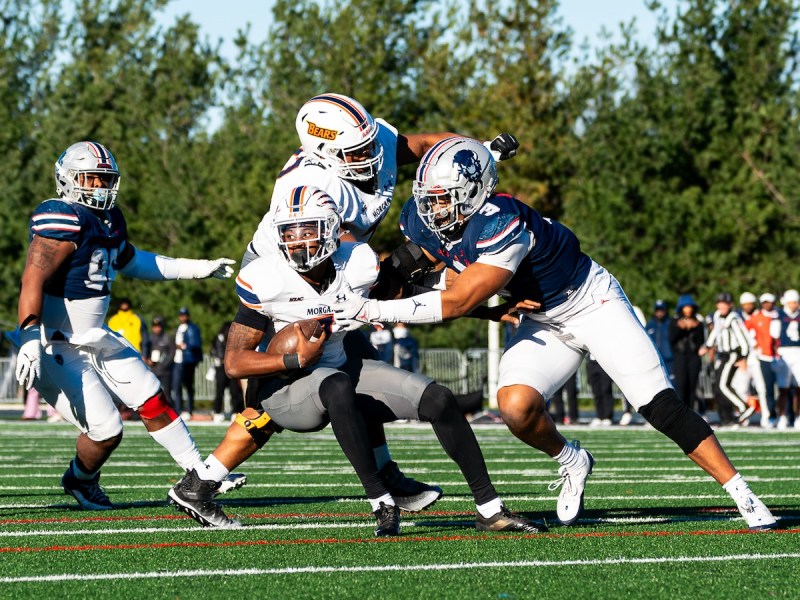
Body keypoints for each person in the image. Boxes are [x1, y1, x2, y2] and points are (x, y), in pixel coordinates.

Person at [334, 136, 776, 530]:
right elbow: (421, 271)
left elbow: (457, 300)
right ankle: (572, 459)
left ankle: (741, 493)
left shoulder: (501, 225)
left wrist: (372, 308)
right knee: (515, 407)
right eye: (428, 198)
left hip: (590, 303)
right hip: (543, 319)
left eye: (443, 200)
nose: (432, 210)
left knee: (658, 405)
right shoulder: (431, 217)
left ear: (472, 194)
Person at [168, 186, 543, 536]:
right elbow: (234, 362)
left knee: (438, 399)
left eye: (308, 230)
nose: (298, 241)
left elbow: (409, 296)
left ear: (331, 231)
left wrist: (486, 311)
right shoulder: (266, 278)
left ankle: (490, 509)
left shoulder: (358, 264)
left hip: (340, 369)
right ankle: (381, 500)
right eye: (290, 232)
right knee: (337, 385)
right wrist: (294, 357)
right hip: (286, 388)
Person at [240, 92, 520, 494]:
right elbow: (344, 262)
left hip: (338, 268)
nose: (370, 154)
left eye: (368, 144)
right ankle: (203, 479)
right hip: (295, 278)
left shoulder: (370, 142)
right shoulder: (311, 186)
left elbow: (427, 145)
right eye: (357, 152)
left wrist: (473, 152)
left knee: (355, 372)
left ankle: (385, 473)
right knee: (275, 396)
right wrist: (441, 285)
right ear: (322, 152)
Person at [14, 140, 241, 510]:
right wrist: (28, 336)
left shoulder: (109, 220)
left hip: (94, 337)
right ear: (68, 179)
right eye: (92, 179)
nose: (101, 188)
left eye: (105, 180)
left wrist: (196, 268)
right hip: (56, 341)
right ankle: (80, 480)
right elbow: (32, 280)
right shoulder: (61, 218)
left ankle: (199, 474)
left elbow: (134, 261)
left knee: (152, 395)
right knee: (107, 432)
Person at [699, 292, 754, 426]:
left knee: (723, 385)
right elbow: (715, 333)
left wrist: (743, 357)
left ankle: (744, 407)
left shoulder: (733, 318)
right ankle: (726, 418)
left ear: (730, 305)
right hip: (722, 355)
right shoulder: (717, 316)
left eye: (725, 304)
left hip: (733, 354)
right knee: (719, 387)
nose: (722, 306)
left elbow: (744, 338)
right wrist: (707, 346)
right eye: (720, 303)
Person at [745, 293, 779, 427]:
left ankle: (787, 416)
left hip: (781, 356)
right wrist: (753, 343)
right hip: (764, 357)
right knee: (766, 388)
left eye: (769, 302)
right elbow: (744, 330)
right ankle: (769, 416)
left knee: (786, 388)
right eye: (764, 302)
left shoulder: (779, 315)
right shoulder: (756, 317)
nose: (767, 304)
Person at [669, 294, 706, 415]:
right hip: (680, 357)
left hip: (693, 357)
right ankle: (680, 413)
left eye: (690, 307)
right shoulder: (674, 322)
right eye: (685, 307)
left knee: (692, 386)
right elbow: (671, 339)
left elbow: (701, 341)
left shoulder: (699, 323)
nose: (688, 310)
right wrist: (681, 328)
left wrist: (694, 328)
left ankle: (690, 412)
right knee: (680, 386)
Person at [771, 289, 800, 429]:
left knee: (798, 387)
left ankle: (798, 417)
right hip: (785, 353)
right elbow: (774, 335)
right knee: (783, 388)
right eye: (792, 302)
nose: (794, 304)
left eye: (796, 302)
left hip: (798, 352)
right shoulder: (779, 315)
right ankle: (782, 416)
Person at [210, 321, 244, 422]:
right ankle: (217, 412)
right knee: (219, 391)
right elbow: (216, 352)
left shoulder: (235, 339)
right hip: (221, 367)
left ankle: (236, 411)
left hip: (232, 367)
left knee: (234, 391)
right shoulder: (219, 338)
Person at [172, 307, 202, 420]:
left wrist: (184, 346)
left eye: (184, 315)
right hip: (177, 360)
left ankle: (189, 410)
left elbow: (195, 344)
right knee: (176, 386)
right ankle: (179, 409)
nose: (182, 317)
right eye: (181, 315)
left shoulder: (193, 328)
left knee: (188, 386)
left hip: (187, 361)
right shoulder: (178, 328)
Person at [145, 316, 175, 404]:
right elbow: (145, 352)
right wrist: (147, 360)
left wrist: (165, 365)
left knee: (167, 394)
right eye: (155, 326)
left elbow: (172, 353)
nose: (157, 328)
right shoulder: (149, 339)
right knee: (152, 394)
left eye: (159, 326)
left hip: (165, 371)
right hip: (153, 370)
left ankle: (170, 413)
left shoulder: (168, 338)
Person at [646, 300, 673, 377]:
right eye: (657, 310)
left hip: (669, 361)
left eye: (662, 310)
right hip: (655, 362)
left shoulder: (671, 324)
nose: (659, 313)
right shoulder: (650, 325)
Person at [586, 356, 614, 426]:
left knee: (606, 389)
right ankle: (599, 416)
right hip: (591, 363)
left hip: (604, 362)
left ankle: (607, 416)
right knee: (596, 392)